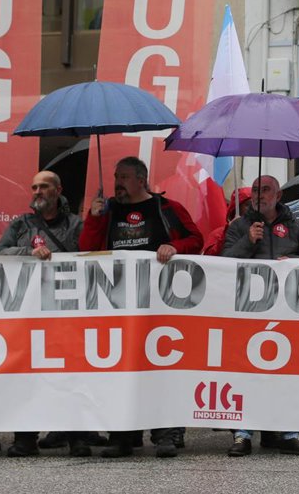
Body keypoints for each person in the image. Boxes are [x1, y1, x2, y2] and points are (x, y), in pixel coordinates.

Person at [80, 156, 202, 459]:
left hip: (160, 305)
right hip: (118, 305)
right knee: (120, 371)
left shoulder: (167, 208)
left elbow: (195, 239)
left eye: (124, 177)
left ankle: (165, 434)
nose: (117, 183)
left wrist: (174, 247)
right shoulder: (107, 211)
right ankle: (121, 435)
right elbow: (86, 249)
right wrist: (94, 218)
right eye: (116, 177)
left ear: (141, 180)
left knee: (161, 367)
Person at [221, 175, 299, 457]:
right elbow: (223, 264)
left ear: (278, 196)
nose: (259, 195)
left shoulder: (296, 227)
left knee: (286, 374)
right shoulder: (239, 226)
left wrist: (293, 263)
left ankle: (287, 433)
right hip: (248, 313)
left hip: (287, 313)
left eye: (265, 190)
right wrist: (248, 242)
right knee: (245, 373)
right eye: (255, 190)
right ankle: (242, 434)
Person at [0, 172, 86, 458]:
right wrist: (27, 252)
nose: (37, 191)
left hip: (67, 312)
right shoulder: (21, 224)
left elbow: (91, 255)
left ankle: (77, 437)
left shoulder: (76, 224)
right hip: (29, 313)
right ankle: (25, 438)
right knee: (26, 375)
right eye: (34, 186)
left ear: (58, 190)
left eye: (43, 186)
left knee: (72, 375)